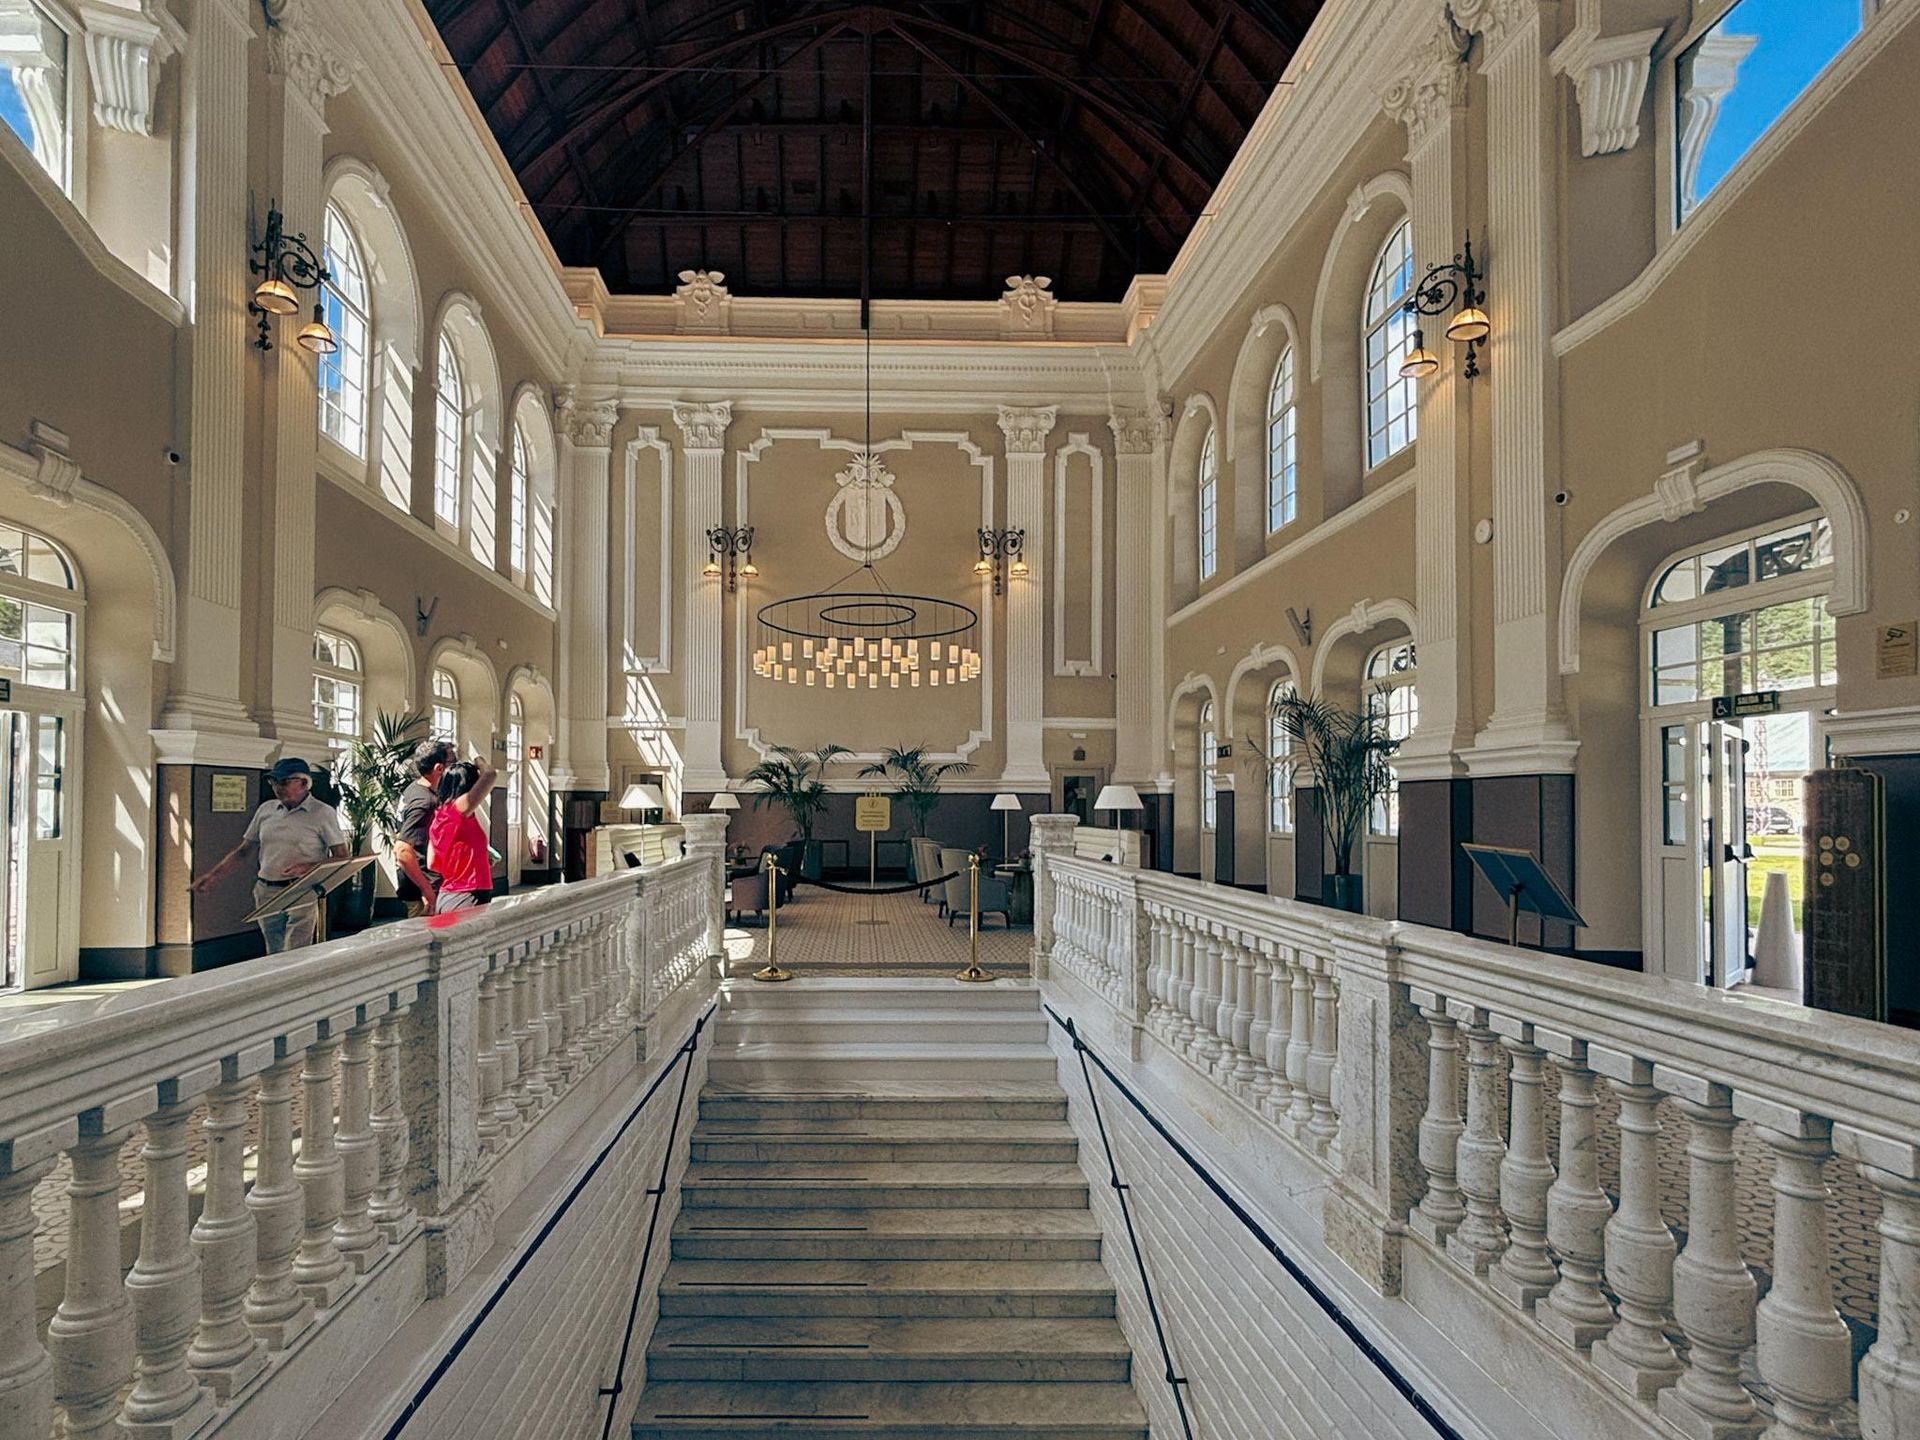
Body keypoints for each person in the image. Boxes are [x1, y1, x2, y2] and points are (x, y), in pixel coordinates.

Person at [191, 756, 348, 953]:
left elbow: (342, 856)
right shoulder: (266, 810)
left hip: (302, 890)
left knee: (295, 951)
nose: (277, 787)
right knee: (273, 950)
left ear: (303, 783)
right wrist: (213, 876)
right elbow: (243, 851)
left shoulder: (322, 813)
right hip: (266, 890)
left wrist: (309, 868)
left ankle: (294, 982)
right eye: (273, 782)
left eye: (284, 782)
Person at [394, 739, 455, 918]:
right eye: (453, 763)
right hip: (423, 893)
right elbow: (403, 850)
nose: (456, 768)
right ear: (439, 768)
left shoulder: (414, 789)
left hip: (423, 887)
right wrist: (427, 891)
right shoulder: (424, 803)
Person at [428, 756, 498, 913]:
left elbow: (432, 863)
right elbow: (490, 775)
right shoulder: (457, 811)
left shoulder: (438, 818)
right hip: (467, 895)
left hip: (447, 896)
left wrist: (475, 860)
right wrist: (479, 760)